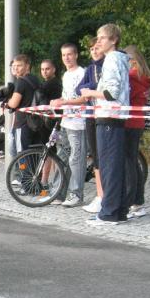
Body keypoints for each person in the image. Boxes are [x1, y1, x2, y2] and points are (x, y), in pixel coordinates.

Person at [80, 24, 130, 225]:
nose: (98, 41)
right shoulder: (121, 59)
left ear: (113, 40)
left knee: (109, 167)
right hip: (115, 117)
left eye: (102, 38)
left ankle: (109, 213)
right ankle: (119, 211)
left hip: (109, 116)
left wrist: (89, 93)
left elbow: (111, 92)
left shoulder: (111, 59)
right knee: (115, 166)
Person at [49, 43, 87, 207]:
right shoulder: (65, 75)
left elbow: (84, 98)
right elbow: (66, 97)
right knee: (62, 156)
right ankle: (58, 193)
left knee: (76, 159)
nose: (66, 58)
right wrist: (58, 103)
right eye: (64, 55)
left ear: (76, 55)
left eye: (69, 54)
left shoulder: (82, 73)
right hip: (66, 121)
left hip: (78, 123)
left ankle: (76, 194)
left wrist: (64, 102)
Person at [123, 45, 150, 217]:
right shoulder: (144, 77)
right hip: (137, 121)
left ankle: (130, 202)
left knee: (129, 164)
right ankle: (138, 201)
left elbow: (125, 97)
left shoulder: (132, 77)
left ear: (132, 61)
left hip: (129, 122)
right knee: (133, 163)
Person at [76, 40, 105, 214]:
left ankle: (107, 195)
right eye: (91, 49)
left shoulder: (108, 66)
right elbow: (79, 88)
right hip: (91, 115)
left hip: (105, 115)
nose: (94, 51)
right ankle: (100, 195)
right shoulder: (90, 69)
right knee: (95, 155)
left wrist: (90, 88)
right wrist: (87, 89)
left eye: (97, 48)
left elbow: (103, 86)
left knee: (105, 155)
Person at [6, 54, 40, 153]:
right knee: (34, 155)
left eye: (19, 65)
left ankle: (23, 164)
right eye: (14, 66)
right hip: (35, 122)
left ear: (27, 66)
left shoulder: (21, 81)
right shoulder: (35, 79)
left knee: (21, 154)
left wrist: (7, 101)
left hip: (22, 123)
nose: (16, 68)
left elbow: (14, 103)